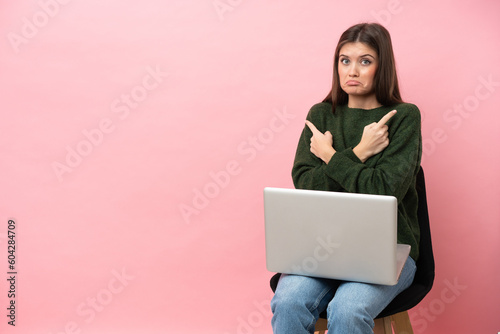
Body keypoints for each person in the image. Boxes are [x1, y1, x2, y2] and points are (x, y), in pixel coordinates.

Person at [270, 22, 422, 334]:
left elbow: (384, 190)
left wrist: (331, 156)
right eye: (344, 60)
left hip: (389, 250)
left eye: (365, 61)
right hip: (320, 248)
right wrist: (359, 153)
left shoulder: (403, 117)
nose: (352, 70)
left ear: (382, 67)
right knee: (288, 302)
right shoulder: (321, 115)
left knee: (348, 309)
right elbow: (306, 185)